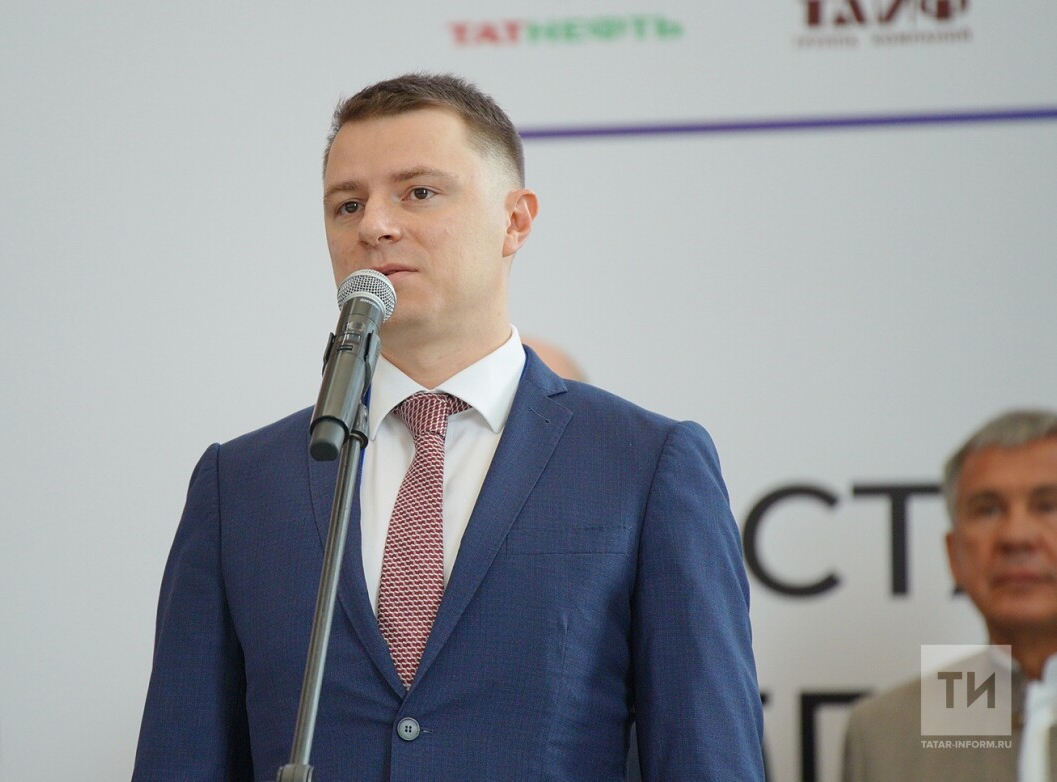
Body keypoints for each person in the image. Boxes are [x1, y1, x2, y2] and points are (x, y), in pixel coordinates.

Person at [132, 72, 764, 781]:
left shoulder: (644, 466)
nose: (373, 226)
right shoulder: (241, 484)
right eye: (347, 205)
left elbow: (708, 757)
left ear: (515, 220)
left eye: (419, 193)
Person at [842, 409, 1057, 782]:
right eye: (988, 510)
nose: (1016, 536)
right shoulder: (886, 733)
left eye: (1049, 505)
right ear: (953, 554)